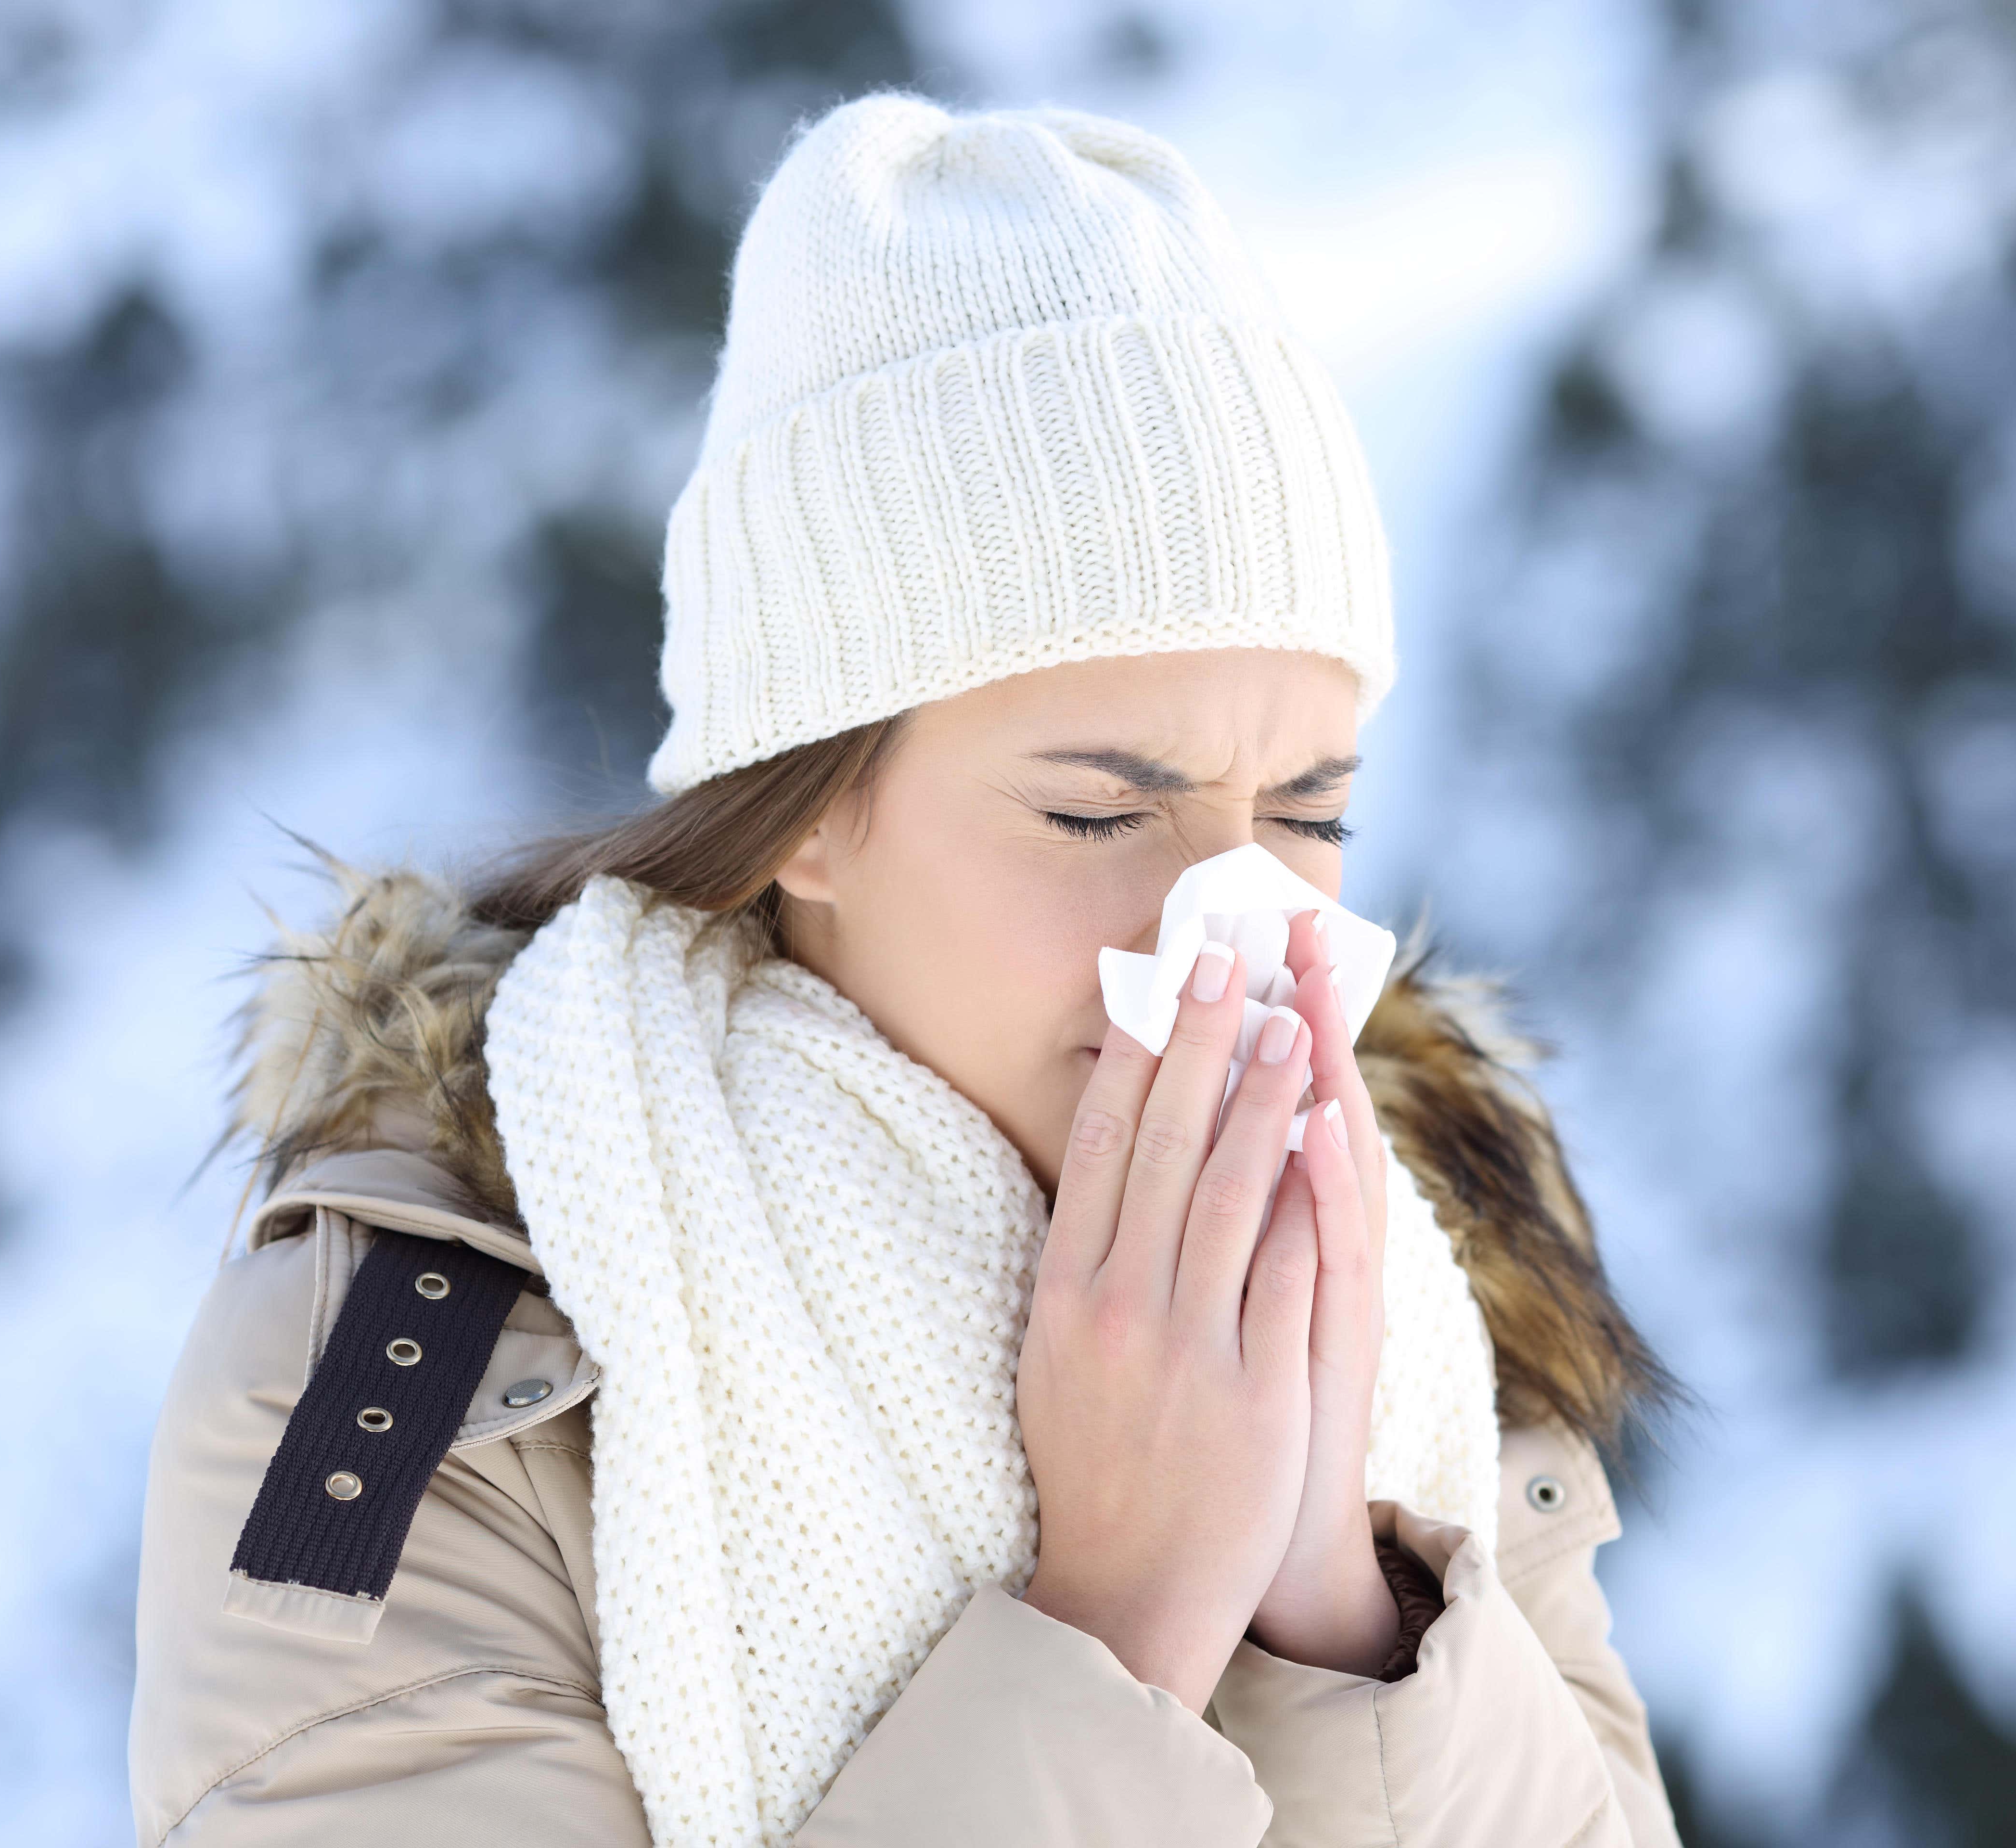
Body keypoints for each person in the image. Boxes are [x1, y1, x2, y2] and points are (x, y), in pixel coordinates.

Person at [126, 88, 1681, 1847]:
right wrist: (1123, 1623)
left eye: (1308, 812)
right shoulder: (412, 1365)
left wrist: (1336, 1598)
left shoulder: (1414, 1285)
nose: (1233, 934)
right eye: (1103, 815)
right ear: (805, 810)